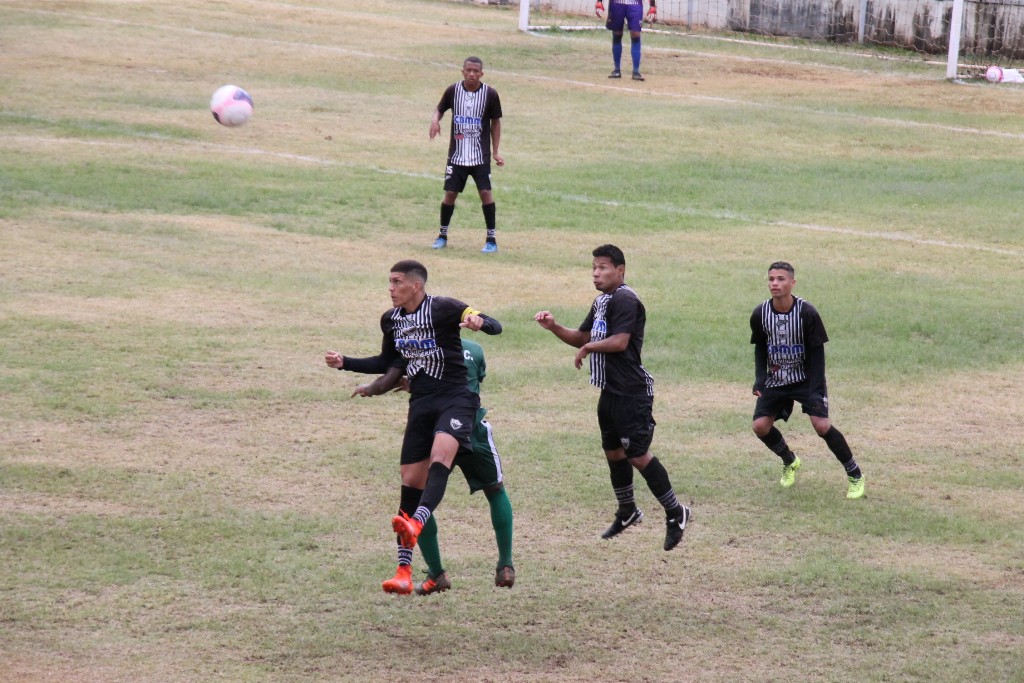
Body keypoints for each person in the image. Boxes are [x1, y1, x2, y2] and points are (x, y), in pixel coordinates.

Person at [325, 259, 503, 594]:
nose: (391, 289)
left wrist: (478, 321)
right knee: (410, 481)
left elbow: (495, 325)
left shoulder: (444, 307)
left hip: (456, 398)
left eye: (397, 282)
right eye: (390, 282)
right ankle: (403, 572)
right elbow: (387, 362)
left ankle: (417, 522)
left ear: (415, 285)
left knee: (441, 456)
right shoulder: (391, 320)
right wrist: (345, 363)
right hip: (421, 402)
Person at [534, 244, 691, 551]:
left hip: (632, 393)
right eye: (593, 267)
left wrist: (588, 348)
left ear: (620, 270)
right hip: (610, 392)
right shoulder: (602, 301)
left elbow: (619, 342)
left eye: (603, 267)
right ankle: (627, 510)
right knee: (614, 453)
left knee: (638, 455)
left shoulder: (625, 300)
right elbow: (582, 337)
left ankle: (676, 512)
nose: (596, 273)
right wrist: (554, 327)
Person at [351, 337, 516, 593]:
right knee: (495, 490)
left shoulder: (419, 349)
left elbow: (402, 378)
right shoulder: (474, 350)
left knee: (419, 500)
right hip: (472, 429)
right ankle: (505, 564)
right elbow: (471, 385)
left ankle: (436, 574)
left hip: (436, 434)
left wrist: (381, 385)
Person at [750, 261, 866, 499]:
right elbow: (760, 348)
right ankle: (789, 460)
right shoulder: (760, 313)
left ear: (792, 283)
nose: (775, 283)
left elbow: (817, 356)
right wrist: (760, 380)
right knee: (760, 426)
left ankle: (855, 474)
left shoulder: (807, 313)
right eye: (771, 279)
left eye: (781, 279)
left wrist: (814, 391)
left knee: (821, 425)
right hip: (776, 379)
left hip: (806, 379)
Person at [428, 56, 504, 253]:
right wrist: (435, 121)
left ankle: (491, 240)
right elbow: (439, 109)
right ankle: (442, 236)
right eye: (468, 70)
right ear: (462, 72)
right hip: (457, 157)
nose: (471, 74)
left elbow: (496, 122)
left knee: (485, 193)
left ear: (481, 74)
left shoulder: (490, 94)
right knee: (450, 194)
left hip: (480, 157)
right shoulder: (453, 91)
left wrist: (496, 151)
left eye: (475, 71)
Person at [594, 0, 656, 81]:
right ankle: (617, 70)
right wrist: (599, 1)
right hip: (617, 3)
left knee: (635, 34)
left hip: (635, 3)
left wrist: (652, 5)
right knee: (617, 33)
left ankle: (636, 72)